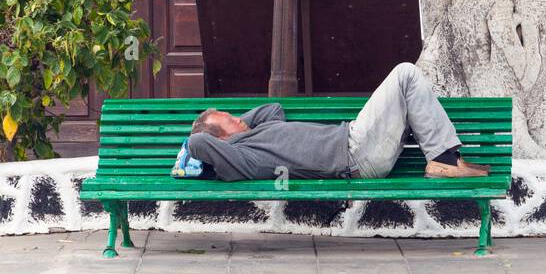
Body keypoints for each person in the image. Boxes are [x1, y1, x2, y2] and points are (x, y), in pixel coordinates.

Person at [187, 61, 490, 182]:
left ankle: (446, 159)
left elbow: (274, 107)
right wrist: (218, 133)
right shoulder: (241, 157)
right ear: (220, 141)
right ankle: (443, 159)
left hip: (359, 145)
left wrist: (239, 123)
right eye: (227, 119)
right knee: (405, 73)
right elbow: (197, 142)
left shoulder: (259, 130)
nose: (236, 117)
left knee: (405, 84)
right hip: (355, 152)